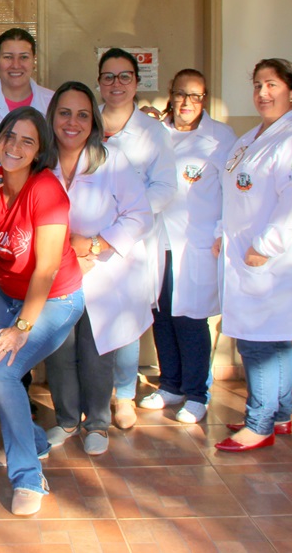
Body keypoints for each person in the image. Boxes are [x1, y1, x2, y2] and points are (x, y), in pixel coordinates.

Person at [214, 59, 292, 452]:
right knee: (276, 340)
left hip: (271, 257)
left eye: (272, 85)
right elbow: (233, 193)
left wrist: (264, 246)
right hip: (248, 252)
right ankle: (280, 415)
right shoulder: (253, 137)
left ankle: (259, 424)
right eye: (258, 85)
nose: (263, 93)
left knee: (258, 341)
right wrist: (220, 232)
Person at [0, 106, 84, 516]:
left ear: (39, 151)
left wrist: (21, 327)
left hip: (55, 299)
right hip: (4, 292)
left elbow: (47, 268)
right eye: (9, 136)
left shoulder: (46, 190)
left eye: (27, 141)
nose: (15, 146)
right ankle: (34, 441)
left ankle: (28, 476)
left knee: (2, 371)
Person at [42, 82, 153, 456]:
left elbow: (140, 215)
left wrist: (94, 245)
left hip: (101, 272)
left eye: (82, 115)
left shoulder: (111, 160)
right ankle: (66, 420)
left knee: (96, 350)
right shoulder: (41, 161)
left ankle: (98, 423)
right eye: (64, 113)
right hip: (57, 273)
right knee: (59, 350)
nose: (72, 123)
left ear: (93, 122)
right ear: (52, 117)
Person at [139, 69, 235, 423]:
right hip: (158, 238)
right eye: (180, 94)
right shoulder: (156, 131)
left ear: (204, 99)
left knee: (191, 318)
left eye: (195, 96)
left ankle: (196, 393)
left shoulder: (221, 137)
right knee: (162, 315)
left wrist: (223, 231)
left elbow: (232, 193)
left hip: (197, 241)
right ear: (170, 93)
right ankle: (171, 384)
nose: (186, 102)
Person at [97, 48, 177, 429]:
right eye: (109, 77)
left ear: (136, 81)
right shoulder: (85, 122)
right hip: (88, 238)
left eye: (124, 76)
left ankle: (124, 395)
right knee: (90, 319)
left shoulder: (153, 132)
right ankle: (95, 396)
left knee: (127, 319)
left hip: (131, 239)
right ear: (99, 82)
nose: (116, 84)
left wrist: (129, 215)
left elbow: (165, 187)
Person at [0, 28, 55, 124]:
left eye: (24, 57)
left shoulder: (53, 102)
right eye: (8, 57)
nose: (16, 65)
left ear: (34, 61)